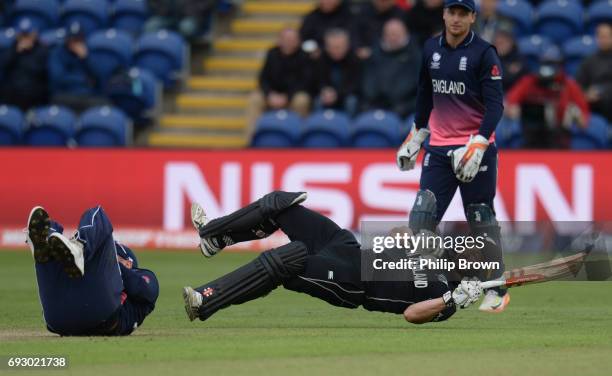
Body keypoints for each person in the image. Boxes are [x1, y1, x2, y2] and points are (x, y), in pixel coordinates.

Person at [183, 191, 484, 324]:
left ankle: (204, 300)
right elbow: (394, 235)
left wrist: (452, 300)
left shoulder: (448, 297)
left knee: (289, 259)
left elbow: (411, 315)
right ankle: (216, 236)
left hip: (353, 283)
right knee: (280, 204)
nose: (462, 246)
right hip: (347, 248)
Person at [395, 0, 508, 312]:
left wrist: (480, 143)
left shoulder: (485, 53)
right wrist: (417, 133)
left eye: (463, 14)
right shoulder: (430, 48)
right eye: (452, 12)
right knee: (422, 213)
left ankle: (497, 287)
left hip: (474, 149)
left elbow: (496, 105)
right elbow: (424, 93)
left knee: (480, 215)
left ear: (472, 17)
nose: (456, 19)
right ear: (444, 14)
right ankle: (435, 283)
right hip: (440, 147)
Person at [25, 205, 158, 336]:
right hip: (60, 319)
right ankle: (46, 239)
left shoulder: (142, 278)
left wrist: (117, 265)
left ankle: (79, 247)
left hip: (101, 314)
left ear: (128, 263)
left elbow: (146, 289)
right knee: (51, 235)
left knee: (98, 214)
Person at [505, 45, 590, 148]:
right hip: (531, 135)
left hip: (558, 137)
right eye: (545, 63)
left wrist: (572, 113)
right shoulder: (530, 81)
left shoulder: (568, 84)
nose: (548, 68)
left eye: (553, 64)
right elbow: (509, 104)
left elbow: (584, 122)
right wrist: (520, 110)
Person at [247, 27, 313, 127]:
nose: (289, 42)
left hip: (293, 95)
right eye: (286, 39)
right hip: (272, 95)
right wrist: (269, 94)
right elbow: (263, 79)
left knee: (302, 100)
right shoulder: (272, 54)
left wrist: (287, 97)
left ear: (298, 41)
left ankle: (298, 135)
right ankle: (254, 138)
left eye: (292, 39)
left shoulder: (304, 56)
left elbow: (306, 82)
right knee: (255, 99)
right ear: (279, 40)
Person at [361, 18, 421, 118]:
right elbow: (367, 81)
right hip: (375, 104)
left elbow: (418, 87)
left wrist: (405, 106)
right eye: (389, 34)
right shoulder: (375, 54)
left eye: (397, 34)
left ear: (405, 34)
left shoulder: (416, 55)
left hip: (405, 108)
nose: (393, 38)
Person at [47, 22, 108, 112]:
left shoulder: (89, 53)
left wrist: (86, 58)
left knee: (105, 105)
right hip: (66, 95)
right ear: (67, 39)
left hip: (89, 96)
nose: (75, 43)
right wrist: (83, 80)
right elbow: (58, 78)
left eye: (78, 39)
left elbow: (100, 76)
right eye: (72, 39)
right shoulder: (57, 53)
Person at [0, 18, 49, 111]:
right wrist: (16, 52)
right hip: (11, 96)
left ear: (35, 34)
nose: (25, 38)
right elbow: (3, 65)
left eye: (27, 34)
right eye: (23, 34)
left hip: (33, 97)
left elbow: (40, 71)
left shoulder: (42, 50)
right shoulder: (12, 48)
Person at [313, 28, 362, 115]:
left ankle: (350, 127)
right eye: (333, 47)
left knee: (351, 101)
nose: (336, 50)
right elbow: (318, 80)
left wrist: (337, 95)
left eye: (339, 47)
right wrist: (324, 90)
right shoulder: (321, 59)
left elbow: (355, 84)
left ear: (347, 46)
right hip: (326, 94)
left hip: (346, 95)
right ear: (327, 47)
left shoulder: (355, 60)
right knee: (318, 101)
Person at [577, 22, 612, 123]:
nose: (603, 40)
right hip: (593, 103)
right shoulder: (589, 60)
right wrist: (586, 94)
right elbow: (579, 84)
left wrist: (604, 93)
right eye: (601, 37)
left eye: (607, 36)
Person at [492, 22, 528, 91]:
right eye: (497, 43)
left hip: (514, 94)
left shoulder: (519, 58)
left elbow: (513, 79)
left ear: (511, 42)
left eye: (502, 43)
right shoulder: (490, 57)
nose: (499, 46)